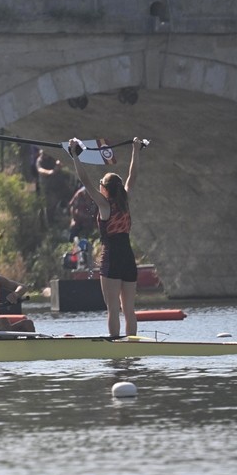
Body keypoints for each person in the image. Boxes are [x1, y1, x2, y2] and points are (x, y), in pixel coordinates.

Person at [71, 136, 145, 338]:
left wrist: (74, 156)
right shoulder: (125, 200)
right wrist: (135, 150)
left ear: (104, 188)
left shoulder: (105, 206)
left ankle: (116, 346)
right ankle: (133, 344)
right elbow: (133, 175)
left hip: (111, 259)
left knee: (113, 309)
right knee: (129, 309)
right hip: (128, 259)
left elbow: (85, 180)